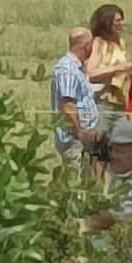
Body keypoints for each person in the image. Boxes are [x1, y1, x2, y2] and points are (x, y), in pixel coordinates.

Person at [86, 119, 132, 231]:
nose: (113, 156)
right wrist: (94, 151)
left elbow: (98, 222)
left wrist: (96, 182)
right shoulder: (124, 175)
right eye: (111, 150)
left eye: (120, 152)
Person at [51, 26, 100, 167]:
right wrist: (79, 133)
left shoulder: (76, 68)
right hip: (74, 139)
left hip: (83, 136)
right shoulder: (68, 70)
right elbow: (68, 106)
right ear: (86, 46)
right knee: (75, 182)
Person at [88, 4, 132, 137]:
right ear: (107, 22)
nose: (121, 23)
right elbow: (91, 74)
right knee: (99, 144)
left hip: (120, 103)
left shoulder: (120, 43)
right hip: (101, 103)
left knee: (122, 142)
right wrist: (117, 68)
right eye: (117, 20)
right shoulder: (98, 43)